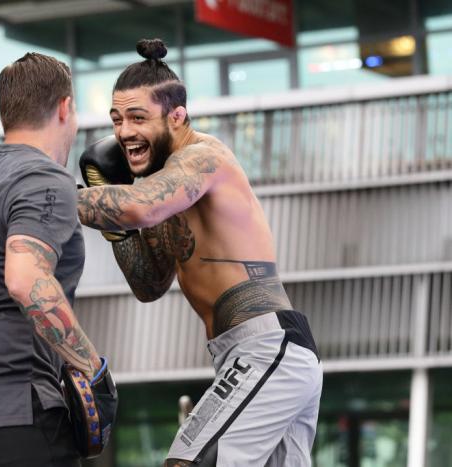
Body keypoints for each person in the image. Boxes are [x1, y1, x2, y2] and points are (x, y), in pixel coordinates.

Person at [77, 39, 323, 467]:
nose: (124, 132)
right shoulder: (163, 189)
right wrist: (110, 215)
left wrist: (49, 196)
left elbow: (139, 206)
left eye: (138, 117)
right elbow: (149, 284)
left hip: (266, 346)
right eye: (116, 119)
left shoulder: (202, 158)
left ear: (177, 116)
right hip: (251, 353)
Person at [0, 52, 114, 467]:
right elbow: (25, 280)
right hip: (14, 415)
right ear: (65, 108)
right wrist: (92, 369)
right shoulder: (45, 176)